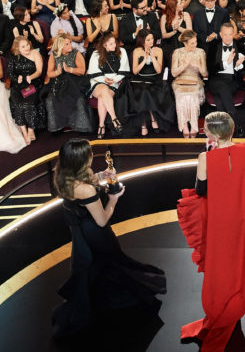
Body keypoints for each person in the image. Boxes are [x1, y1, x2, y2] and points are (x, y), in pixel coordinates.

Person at [52, 138, 166, 342]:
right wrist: (114, 199)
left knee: (95, 268)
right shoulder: (86, 190)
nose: (91, 156)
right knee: (113, 263)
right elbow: (102, 220)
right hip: (96, 234)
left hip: (81, 235)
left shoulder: (63, 177)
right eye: (88, 153)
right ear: (81, 160)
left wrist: (101, 175)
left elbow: (83, 186)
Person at [177, 112, 245, 350]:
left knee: (218, 263)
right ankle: (234, 301)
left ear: (212, 133)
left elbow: (200, 190)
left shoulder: (204, 157)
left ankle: (220, 307)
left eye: (205, 129)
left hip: (217, 220)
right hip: (239, 217)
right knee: (237, 259)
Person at [124, 29, 175, 135]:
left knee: (148, 91)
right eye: (148, 40)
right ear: (143, 41)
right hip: (140, 79)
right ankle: (144, 123)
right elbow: (135, 71)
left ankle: (153, 118)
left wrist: (153, 57)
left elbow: (158, 70)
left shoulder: (158, 50)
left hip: (154, 79)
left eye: (152, 38)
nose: (151, 41)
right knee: (142, 92)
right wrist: (144, 60)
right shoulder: (137, 51)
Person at [45, 34, 91, 134]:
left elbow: (82, 71)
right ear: (60, 46)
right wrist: (57, 72)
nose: (70, 45)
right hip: (59, 82)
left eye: (70, 42)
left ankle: (79, 126)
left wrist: (69, 69)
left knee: (78, 98)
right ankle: (58, 126)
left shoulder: (76, 52)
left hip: (75, 80)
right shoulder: (54, 54)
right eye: (67, 44)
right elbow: (49, 73)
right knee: (50, 100)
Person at [87, 33, 130, 136]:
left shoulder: (122, 51)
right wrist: (104, 79)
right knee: (103, 89)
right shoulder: (96, 54)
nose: (114, 45)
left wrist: (114, 79)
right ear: (104, 45)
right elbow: (93, 72)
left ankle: (101, 125)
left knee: (103, 96)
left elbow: (124, 70)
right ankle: (114, 118)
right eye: (111, 44)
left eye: (114, 43)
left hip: (115, 81)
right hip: (98, 81)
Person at [171, 29, 208, 138]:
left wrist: (199, 67)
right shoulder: (177, 52)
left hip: (195, 81)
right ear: (185, 43)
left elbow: (205, 73)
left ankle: (194, 126)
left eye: (196, 42)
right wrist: (185, 64)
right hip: (180, 82)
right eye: (192, 43)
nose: (195, 45)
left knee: (192, 99)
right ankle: (185, 126)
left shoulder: (200, 52)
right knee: (181, 99)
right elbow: (173, 73)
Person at [8, 35, 43, 144]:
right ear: (18, 48)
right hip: (18, 85)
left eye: (27, 44)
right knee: (18, 104)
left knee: (28, 103)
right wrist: (16, 78)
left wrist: (30, 77)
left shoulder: (35, 53)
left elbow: (39, 71)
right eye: (23, 47)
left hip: (32, 83)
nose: (27, 48)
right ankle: (24, 132)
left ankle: (31, 129)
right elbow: (10, 73)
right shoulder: (14, 57)